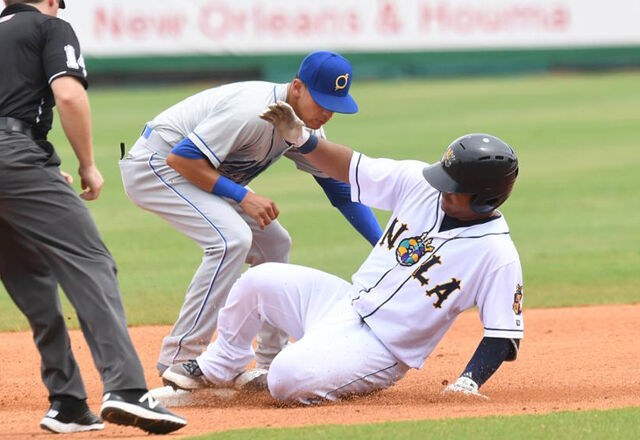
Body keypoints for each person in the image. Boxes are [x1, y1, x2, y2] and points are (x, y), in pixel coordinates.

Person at [161, 101, 523, 403]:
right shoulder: (420, 183)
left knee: (285, 379)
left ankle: (334, 372)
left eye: (453, 188)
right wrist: (303, 139)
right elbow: (351, 166)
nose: (441, 189)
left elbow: (502, 332)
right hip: (342, 302)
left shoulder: (495, 254)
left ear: (485, 198)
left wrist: (469, 381)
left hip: (382, 349)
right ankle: (222, 367)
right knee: (257, 281)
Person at [119, 51, 383, 377]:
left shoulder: (302, 128)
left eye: (335, 105)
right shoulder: (251, 112)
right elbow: (181, 160)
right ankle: (178, 359)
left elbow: (341, 190)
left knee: (275, 244)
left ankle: (270, 362)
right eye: (323, 101)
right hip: (156, 165)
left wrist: (383, 244)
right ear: (297, 87)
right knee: (231, 240)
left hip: (201, 172)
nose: (328, 113)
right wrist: (243, 196)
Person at [0, 0, 186, 434]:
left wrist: (35, 165)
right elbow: (67, 93)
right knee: (91, 263)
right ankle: (125, 389)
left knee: (33, 282)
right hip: (17, 158)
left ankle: (66, 402)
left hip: (18, 161)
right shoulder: (49, 27)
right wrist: (86, 164)